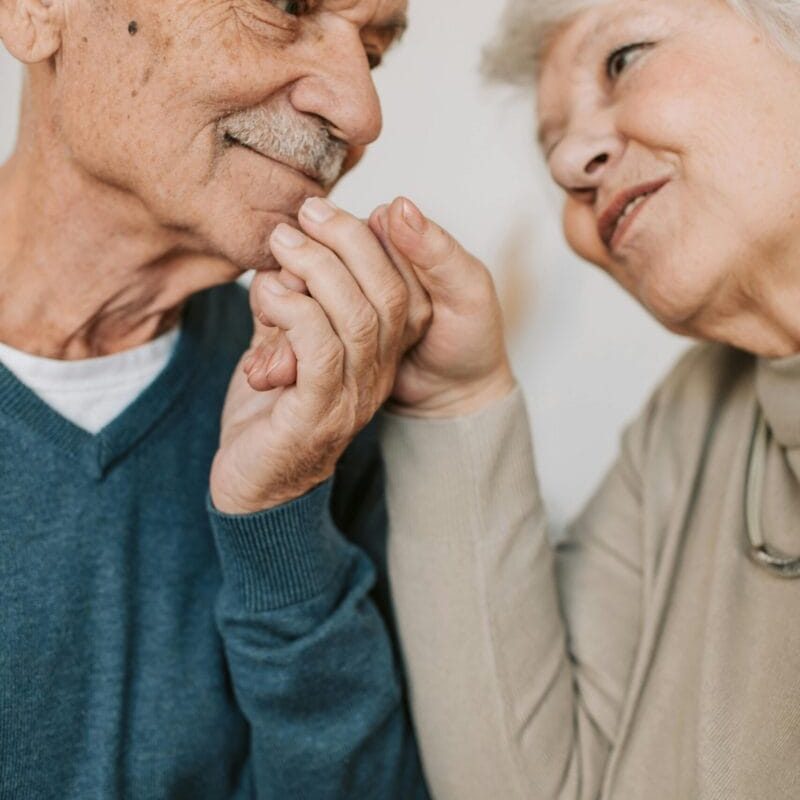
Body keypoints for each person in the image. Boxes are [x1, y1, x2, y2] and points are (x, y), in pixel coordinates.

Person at [0, 0, 434, 797]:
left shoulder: (323, 406)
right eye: (284, 8)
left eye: (372, 55)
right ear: (37, 11)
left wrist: (283, 519)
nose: (360, 111)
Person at [370, 1, 800, 798]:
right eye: (550, 151)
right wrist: (454, 402)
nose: (570, 162)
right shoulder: (688, 423)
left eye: (622, 60)